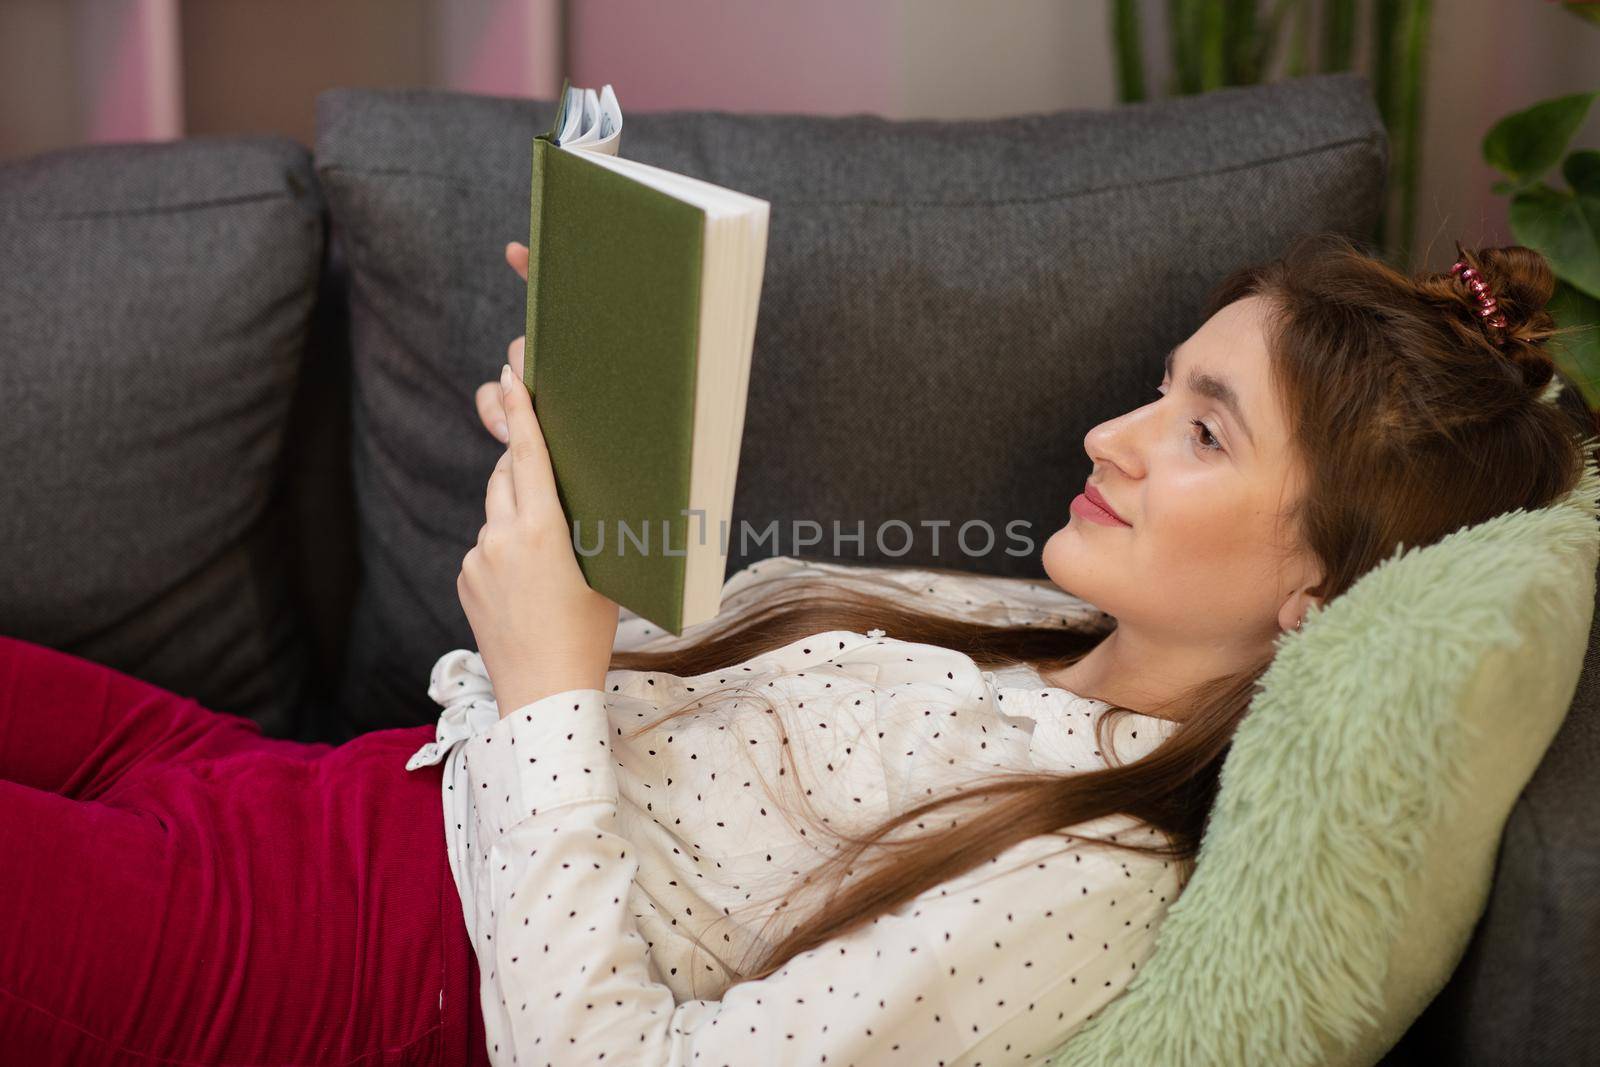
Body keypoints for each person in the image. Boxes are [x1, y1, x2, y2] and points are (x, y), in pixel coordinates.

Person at [1, 232, 1586, 1066]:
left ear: (1324, 593)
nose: (1109, 435)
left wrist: (554, 684)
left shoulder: (1090, 889)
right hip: (311, 791)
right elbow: (661, 689)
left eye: (1200, 432)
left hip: (351, 966)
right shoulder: (1026, 627)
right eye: (1163, 388)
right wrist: (594, 429)